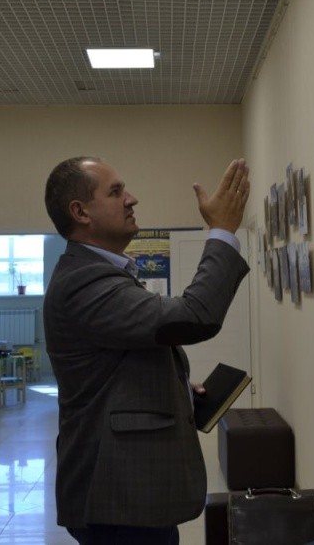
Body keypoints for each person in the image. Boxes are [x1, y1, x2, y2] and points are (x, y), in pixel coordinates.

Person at [42, 156, 251, 545]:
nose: (131, 199)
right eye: (116, 191)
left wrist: (176, 390)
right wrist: (221, 231)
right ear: (80, 211)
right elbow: (193, 316)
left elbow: (117, 364)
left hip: (131, 493)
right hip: (117, 496)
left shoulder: (102, 272)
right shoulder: (83, 281)